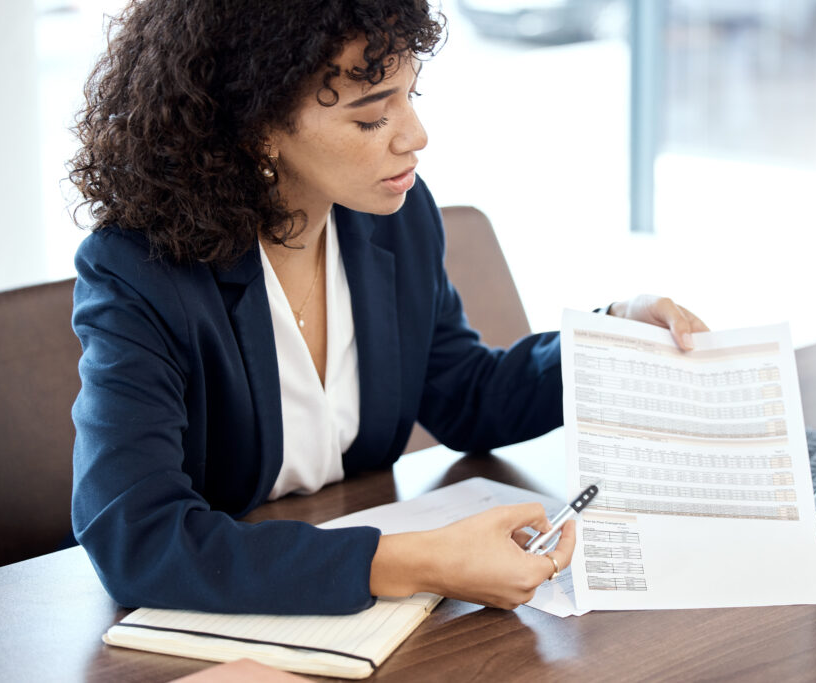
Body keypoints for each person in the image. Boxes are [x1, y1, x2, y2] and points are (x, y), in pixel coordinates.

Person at [68, 0, 708, 617]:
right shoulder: (138, 270)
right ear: (259, 131)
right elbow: (138, 539)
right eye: (372, 117)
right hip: (228, 641)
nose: (416, 136)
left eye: (410, 96)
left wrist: (610, 339)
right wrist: (414, 562)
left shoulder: (392, 220)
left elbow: (466, 393)